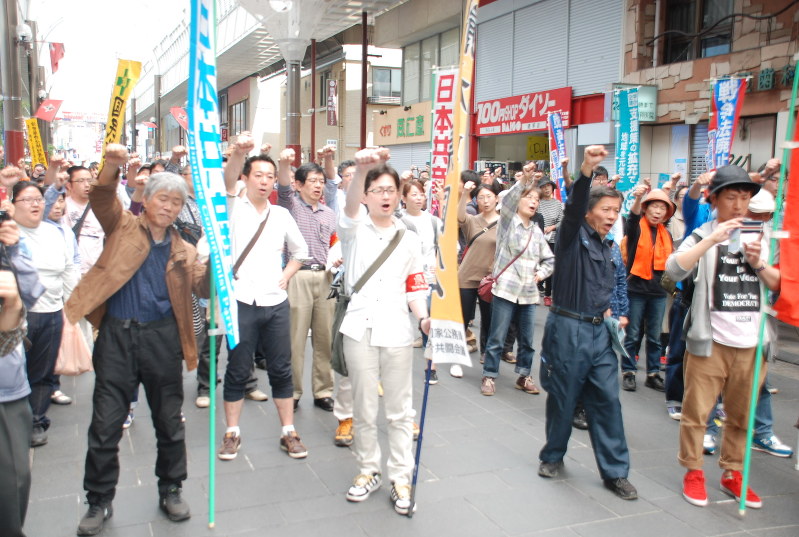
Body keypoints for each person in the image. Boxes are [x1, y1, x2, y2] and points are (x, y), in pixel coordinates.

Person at [64, 145, 210, 535]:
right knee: (106, 423)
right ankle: (98, 500)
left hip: (163, 339)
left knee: (169, 421)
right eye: (162, 198)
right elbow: (101, 197)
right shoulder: (123, 226)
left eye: (176, 202)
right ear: (145, 199)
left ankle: (171, 488)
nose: (168, 207)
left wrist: (216, 267)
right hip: (117, 336)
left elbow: (205, 289)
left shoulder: (186, 249)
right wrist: (112, 166)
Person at [665, 165, 780, 509]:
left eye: (745, 197)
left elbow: (780, 284)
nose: (739, 204)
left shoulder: (766, 235)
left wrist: (759, 264)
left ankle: (733, 472)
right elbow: (674, 270)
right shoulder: (702, 233)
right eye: (732, 196)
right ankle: (693, 471)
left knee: (741, 415)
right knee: (696, 412)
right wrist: (711, 241)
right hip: (710, 340)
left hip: (752, 342)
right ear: (715, 199)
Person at [538, 145, 638, 501]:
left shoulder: (609, 246)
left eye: (616, 210)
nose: (612, 216)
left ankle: (615, 472)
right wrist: (584, 171)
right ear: (589, 212)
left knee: (607, 400)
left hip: (600, 332)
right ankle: (552, 455)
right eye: (606, 209)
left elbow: (609, 287)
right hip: (567, 328)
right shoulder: (570, 237)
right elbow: (573, 207)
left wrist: (615, 316)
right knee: (563, 398)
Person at [338, 147, 429, 516]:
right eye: (379, 190)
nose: (387, 196)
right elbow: (347, 209)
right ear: (366, 196)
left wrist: (423, 318)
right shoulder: (353, 229)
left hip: (396, 328)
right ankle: (367, 471)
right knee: (364, 405)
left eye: (392, 190)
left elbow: (415, 285)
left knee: (399, 409)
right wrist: (361, 170)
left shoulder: (409, 238)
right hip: (358, 327)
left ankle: (401, 477)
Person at [217, 146, 309, 462]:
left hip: (275, 302)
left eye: (270, 177)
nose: (265, 182)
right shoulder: (232, 207)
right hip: (240, 301)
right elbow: (228, 178)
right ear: (246, 178)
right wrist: (239, 154)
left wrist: (287, 274)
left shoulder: (281, 214)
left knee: (281, 368)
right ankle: (232, 433)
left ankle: (288, 431)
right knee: (238, 369)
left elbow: (301, 251)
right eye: (258, 175)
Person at [13, 181, 79, 447]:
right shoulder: (9, 233)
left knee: (42, 372)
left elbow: (67, 271)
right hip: (16, 315)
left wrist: (71, 309)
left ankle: (36, 421)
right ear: (13, 204)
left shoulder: (57, 233)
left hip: (51, 311)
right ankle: (12, 423)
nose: (35, 204)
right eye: (27, 199)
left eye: (38, 198)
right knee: (15, 372)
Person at [480, 164, 554, 396]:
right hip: (505, 290)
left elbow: (550, 260)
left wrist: (540, 274)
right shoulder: (507, 223)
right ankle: (489, 376)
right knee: (497, 337)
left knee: (528, 340)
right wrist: (524, 181)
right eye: (529, 197)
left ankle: (524, 375)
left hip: (529, 294)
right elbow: (510, 201)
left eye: (536, 199)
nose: (533, 202)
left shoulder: (537, 231)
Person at [276, 149, 340, 411]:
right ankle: (292, 391)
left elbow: (335, 243)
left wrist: (337, 259)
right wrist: (284, 163)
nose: (318, 186)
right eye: (312, 181)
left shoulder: (328, 213)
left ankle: (323, 390)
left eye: (320, 181)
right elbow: (281, 187)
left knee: (325, 338)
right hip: (298, 276)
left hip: (325, 276)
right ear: (298, 184)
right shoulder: (289, 206)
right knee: (295, 339)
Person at [0, 213, 45, 537]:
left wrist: (15, 249)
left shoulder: (10, 247)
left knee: (15, 478)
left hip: (8, 385)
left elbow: (30, 293)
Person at [620, 186, 674, 392]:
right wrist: (638, 198)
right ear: (646, 209)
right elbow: (632, 219)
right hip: (635, 290)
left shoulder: (665, 234)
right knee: (632, 334)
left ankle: (653, 374)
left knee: (654, 335)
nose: (658, 211)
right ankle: (628, 371)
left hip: (658, 292)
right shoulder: (636, 228)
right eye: (654, 206)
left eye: (662, 207)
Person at [458, 180, 501, 361]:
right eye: (480, 197)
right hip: (467, 276)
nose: (485, 201)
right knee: (463, 318)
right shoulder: (473, 220)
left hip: (489, 279)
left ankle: (486, 352)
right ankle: (458, 351)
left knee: (489, 319)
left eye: (489, 197)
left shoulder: (504, 223)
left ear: (497, 199)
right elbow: (459, 217)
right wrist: (463, 194)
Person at [537, 175, 564, 307]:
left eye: (548, 186)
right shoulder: (537, 202)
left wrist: (552, 227)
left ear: (552, 187)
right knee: (535, 265)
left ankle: (548, 294)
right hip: (538, 239)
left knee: (550, 267)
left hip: (553, 239)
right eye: (543, 187)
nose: (546, 189)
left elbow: (562, 221)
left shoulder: (558, 204)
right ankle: (533, 290)